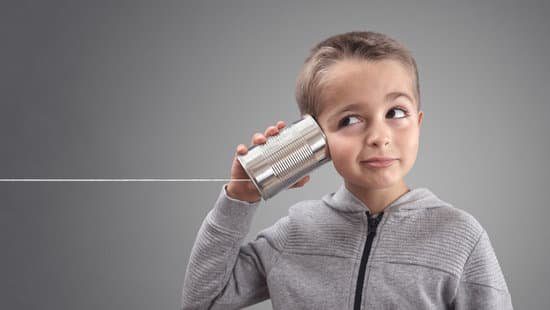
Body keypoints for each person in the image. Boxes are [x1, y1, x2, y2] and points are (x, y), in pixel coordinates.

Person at [181, 31, 513, 309]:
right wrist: (240, 198)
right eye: (350, 120)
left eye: (396, 112)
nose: (379, 137)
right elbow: (204, 299)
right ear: (314, 137)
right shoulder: (293, 234)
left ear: (419, 123)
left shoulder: (459, 237)